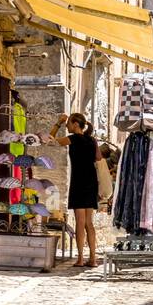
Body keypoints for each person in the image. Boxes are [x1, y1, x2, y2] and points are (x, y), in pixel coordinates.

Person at [49, 112, 103, 268]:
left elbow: (50, 140)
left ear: (75, 124)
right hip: (91, 182)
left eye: (69, 123)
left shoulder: (72, 139)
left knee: (80, 222)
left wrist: (59, 122)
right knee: (89, 223)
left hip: (79, 182)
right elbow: (99, 157)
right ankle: (92, 258)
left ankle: (80, 258)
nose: (67, 126)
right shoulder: (92, 140)